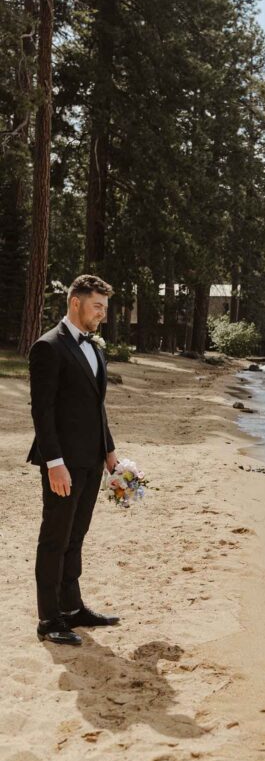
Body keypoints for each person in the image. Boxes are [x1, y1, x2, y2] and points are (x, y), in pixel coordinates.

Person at [27, 274, 121, 645]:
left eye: (104, 308)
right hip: (63, 463)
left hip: (92, 459)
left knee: (76, 536)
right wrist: (54, 463)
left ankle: (71, 607)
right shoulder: (48, 347)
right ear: (75, 303)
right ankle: (49, 620)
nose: (102, 314)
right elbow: (42, 412)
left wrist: (110, 453)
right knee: (55, 537)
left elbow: (97, 408)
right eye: (97, 306)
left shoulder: (94, 347)